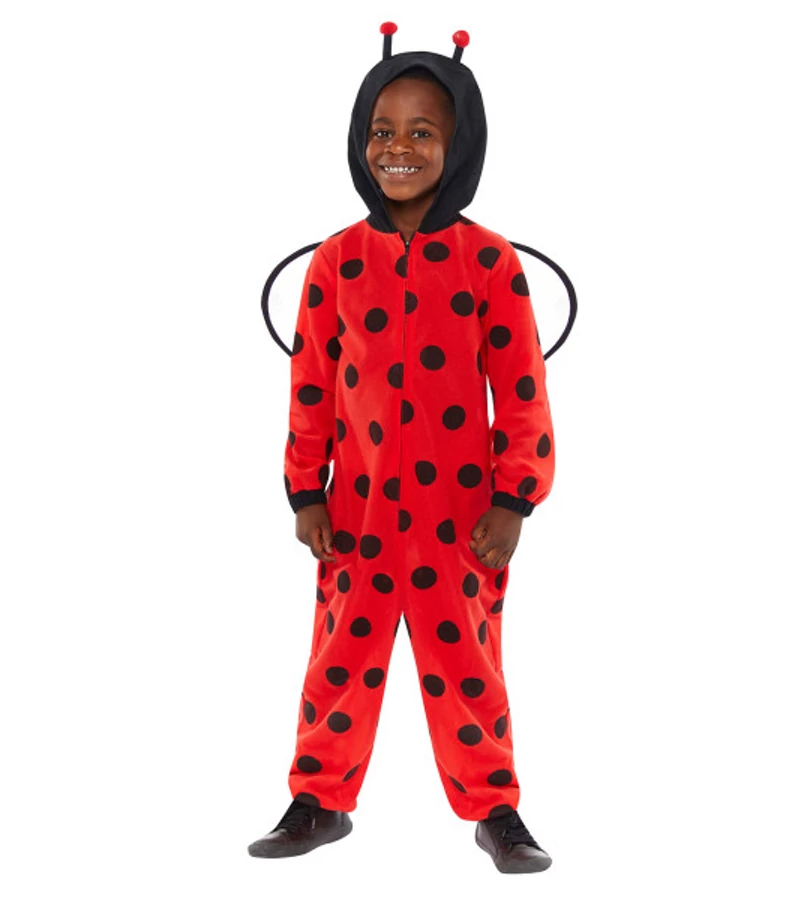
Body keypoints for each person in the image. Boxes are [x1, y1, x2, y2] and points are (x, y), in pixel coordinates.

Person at [249, 24, 556, 874]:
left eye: (423, 132)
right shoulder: (336, 263)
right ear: (360, 139)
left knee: (468, 660)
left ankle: (495, 809)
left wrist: (515, 498)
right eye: (382, 130)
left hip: (463, 516)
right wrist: (305, 491)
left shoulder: (490, 263)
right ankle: (319, 799)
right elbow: (310, 386)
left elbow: (523, 392)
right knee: (340, 656)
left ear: (460, 144)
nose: (398, 148)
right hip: (357, 511)